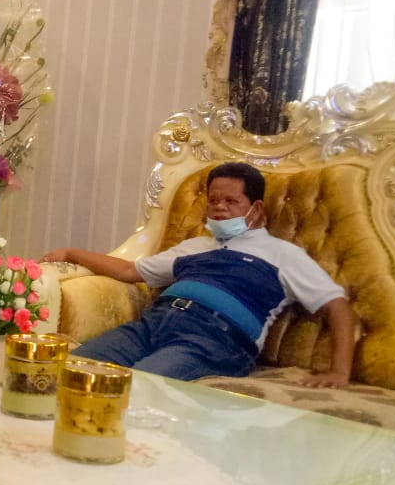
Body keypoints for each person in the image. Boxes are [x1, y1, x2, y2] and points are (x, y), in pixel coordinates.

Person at [43, 162, 356, 388]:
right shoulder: (194, 246)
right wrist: (73, 253)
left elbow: (338, 306)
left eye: (231, 201)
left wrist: (339, 372)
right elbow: (129, 270)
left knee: (140, 385)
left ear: (257, 208)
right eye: (214, 200)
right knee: (70, 368)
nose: (219, 208)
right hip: (153, 325)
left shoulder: (282, 254)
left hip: (214, 338)